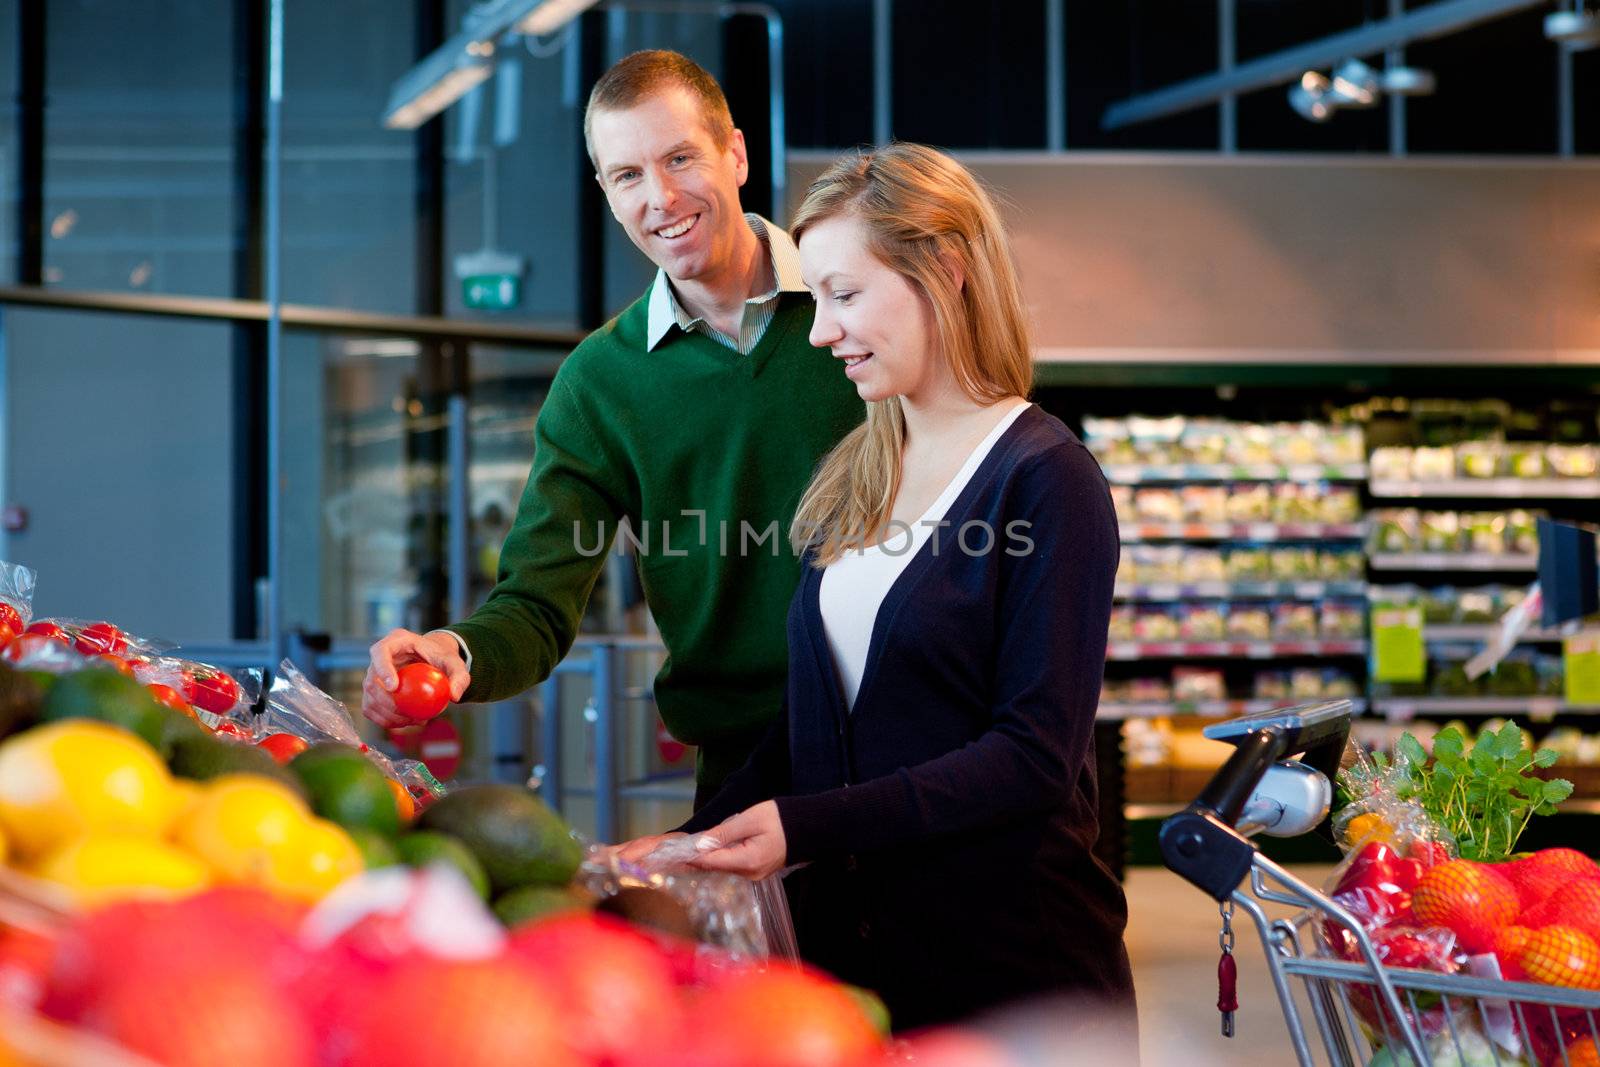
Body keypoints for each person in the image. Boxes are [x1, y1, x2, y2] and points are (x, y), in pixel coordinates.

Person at [621, 143, 1136, 1037]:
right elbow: (814, 723)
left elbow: (1033, 755)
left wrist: (807, 825)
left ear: (947, 271)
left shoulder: (1046, 479)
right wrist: (690, 843)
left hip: (1010, 980)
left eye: (844, 294)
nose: (820, 331)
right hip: (853, 976)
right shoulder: (861, 468)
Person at [361, 50, 863, 803]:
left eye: (680, 158)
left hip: (911, 753)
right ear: (606, 192)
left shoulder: (859, 307)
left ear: (736, 154)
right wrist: (455, 652)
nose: (659, 197)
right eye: (627, 176)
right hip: (743, 780)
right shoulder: (600, 383)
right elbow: (535, 603)